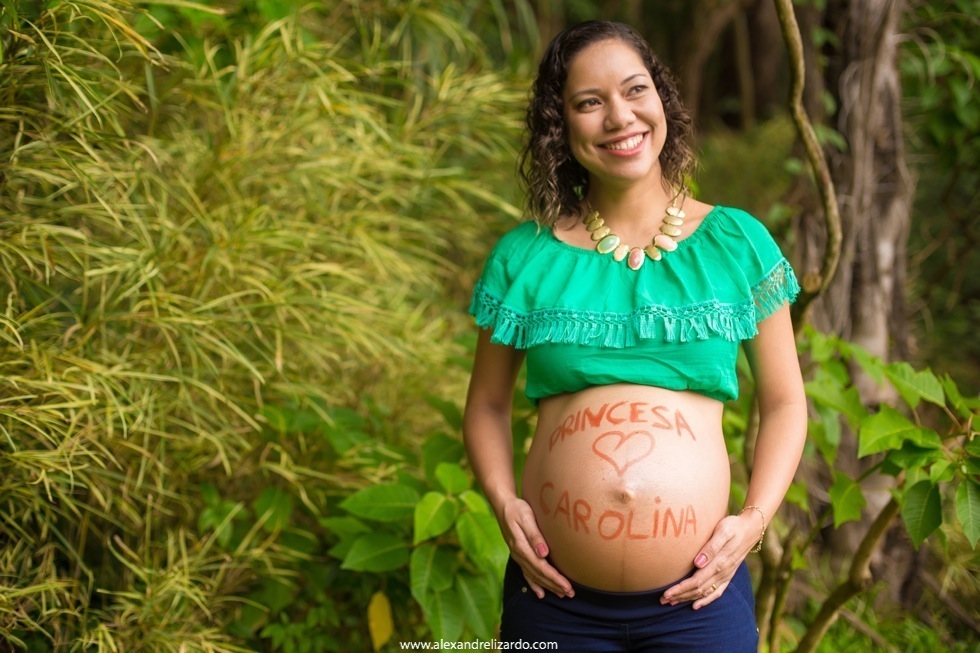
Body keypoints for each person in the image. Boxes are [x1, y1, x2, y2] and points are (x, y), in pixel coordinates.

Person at [462, 20, 807, 652]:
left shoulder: (737, 243)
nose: (620, 117)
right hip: (555, 600)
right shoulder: (526, 257)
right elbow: (486, 405)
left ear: (662, 101)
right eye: (589, 103)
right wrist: (504, 503)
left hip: (700, 599)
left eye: (635, 90)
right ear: (559, 127)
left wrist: (753, 522)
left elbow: (785, 403)